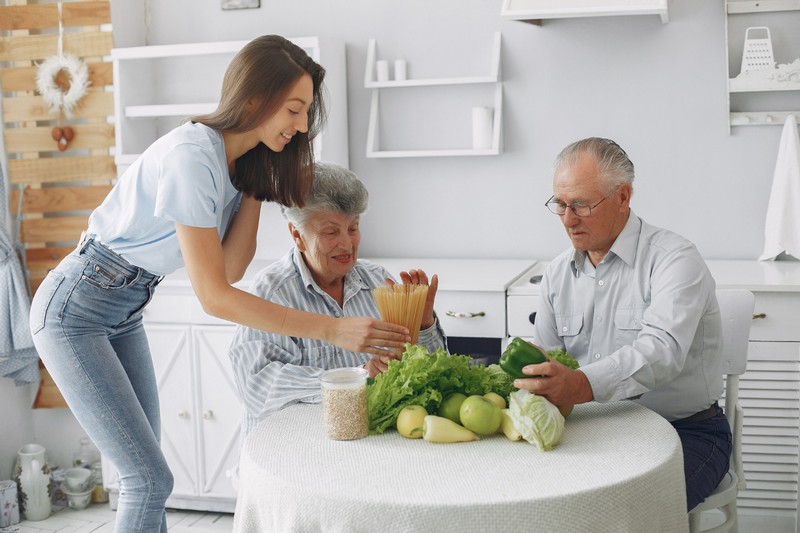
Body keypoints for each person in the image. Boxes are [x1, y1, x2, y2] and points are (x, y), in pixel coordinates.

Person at [28, 36, 409, 533]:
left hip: (123, 310)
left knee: (143, 475)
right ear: (254, 100)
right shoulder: (191, 157)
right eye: (293, 110)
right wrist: (332, 331)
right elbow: (215, 296)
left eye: (305, 112)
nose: (300, 126)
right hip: (74, 312)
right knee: (147, 479)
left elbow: (231, 268)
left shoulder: (234, 165)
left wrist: (256, 183)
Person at [517, 137, 731, 511]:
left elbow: (661, 352)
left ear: (622, 196)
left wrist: (581, 384)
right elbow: (549, 362)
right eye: (560, 205)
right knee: (537, 506)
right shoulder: (556, 273)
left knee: (625, 513)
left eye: (581, 204)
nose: (568, 219)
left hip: (686, 431)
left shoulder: (675, 260)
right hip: (591, 428)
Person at [229, 162, 447, 437]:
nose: (347, 244)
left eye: (353, 228)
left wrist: (424, 325)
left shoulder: (378, 281)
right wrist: (356, 378)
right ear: (297, 236)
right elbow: (256, 387)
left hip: (366, 442)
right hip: (295, 449)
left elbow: (425, 375)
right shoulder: (271, 293)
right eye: (331, 232)